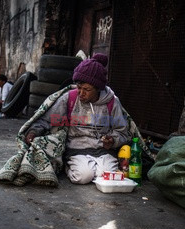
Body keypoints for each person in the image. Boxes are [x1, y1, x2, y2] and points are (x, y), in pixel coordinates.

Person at [24, 53, 131, 184]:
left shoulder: (112, 103)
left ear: (98, 88)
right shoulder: (70, 98)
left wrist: (113, 140)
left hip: (103, 151)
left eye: (86, 89)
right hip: (76, 150)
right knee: (83, 177)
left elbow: (122, 132)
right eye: (79, 87)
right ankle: (67, 166)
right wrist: (34, 131)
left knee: (106, 178)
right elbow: (48, 120)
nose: (81, 93)